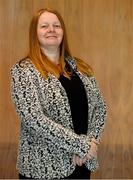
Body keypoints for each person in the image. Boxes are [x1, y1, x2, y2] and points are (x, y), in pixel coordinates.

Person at [11, 8, 107, 179]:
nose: (51, 30)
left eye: (57, 25)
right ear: (35, 33)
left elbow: (100, 107)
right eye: (44, 26)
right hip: (43, 167)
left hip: (81, 162)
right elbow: (34, 119)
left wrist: (91, 142)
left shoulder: (80, 67)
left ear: (63, 32)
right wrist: (82, 146)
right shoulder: (23, 71)